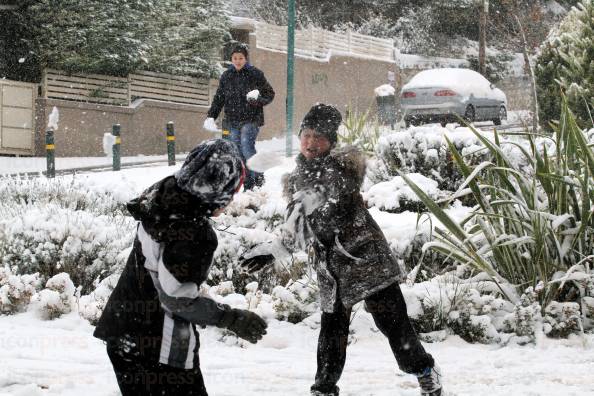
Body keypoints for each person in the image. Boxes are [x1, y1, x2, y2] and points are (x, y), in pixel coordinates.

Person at [241, 104, 443, 396]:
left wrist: (278, 245)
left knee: (395, 327)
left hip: (366, 261)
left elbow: (316, 203)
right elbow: (300, 222)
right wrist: (275, 250)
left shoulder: (339, 171)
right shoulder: (300, 176)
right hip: (331, 268)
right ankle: (323, 388)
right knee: (331, 334)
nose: (310, 143)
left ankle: (425, 370)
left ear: (331, 142)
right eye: (306, 135)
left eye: (318, 137)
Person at [94, 139, 268, 396]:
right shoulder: (194, 232)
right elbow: (177, 299)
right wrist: (230, 318)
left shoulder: (165, 193)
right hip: (158, 349)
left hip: (122, 333)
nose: (232, 198)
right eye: (232, 190)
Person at [204, 44, 275, 191]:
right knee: (237, 151)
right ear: (231, 59)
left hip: (251, 118)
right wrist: (211, 116)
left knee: (247, 147)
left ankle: (258, 176)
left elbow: (269, 94)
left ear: (245, 58)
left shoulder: (255, 74)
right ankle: (249, 182)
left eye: (241, 58)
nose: (238, 61)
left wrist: (258, 100)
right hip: (233, 119)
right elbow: (219, 98)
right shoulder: (226, 76)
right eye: (235, 58)